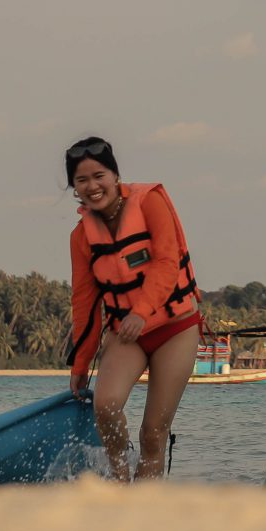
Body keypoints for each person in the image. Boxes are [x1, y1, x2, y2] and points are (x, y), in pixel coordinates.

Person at [64, 136, 202, 480]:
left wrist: (141, 311)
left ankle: (146, 506)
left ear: (115, 176)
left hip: (175, 329)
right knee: (106, 406)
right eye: (82, 180)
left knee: (153, 433)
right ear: (75, 189)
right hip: (128, 334)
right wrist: (80, 363)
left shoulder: (150, 202)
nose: (93, 186)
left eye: (99, 176)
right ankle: (121, 482)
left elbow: (167, 262)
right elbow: (84, 301)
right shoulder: (81, 237)